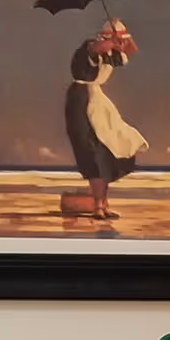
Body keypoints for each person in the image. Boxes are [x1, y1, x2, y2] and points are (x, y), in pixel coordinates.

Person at [63, 19, 145, 221]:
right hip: (80, 102)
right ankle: (98, 205)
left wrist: (124, 37)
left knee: (106, 151)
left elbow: (132, 50)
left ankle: (103, 203)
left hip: (97, 103)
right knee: (93, 152)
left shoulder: (110, 55)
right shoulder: (90, 47)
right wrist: (112, 40)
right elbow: (96, 47)